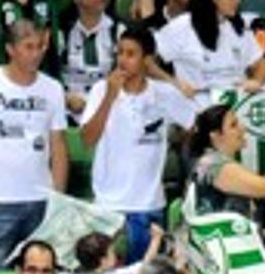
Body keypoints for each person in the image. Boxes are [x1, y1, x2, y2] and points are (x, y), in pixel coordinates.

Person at [79, 28, 200, 257]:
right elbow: (87, 139)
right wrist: (109, 97)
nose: (123, 60)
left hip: (149, 204)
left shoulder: (164, 94)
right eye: (120, 53)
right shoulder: (100, 90)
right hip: (108, 206)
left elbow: (195, 126)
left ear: (147, 60)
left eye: (131, 54)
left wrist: (181, 142)